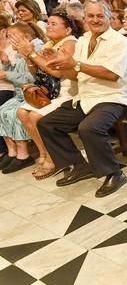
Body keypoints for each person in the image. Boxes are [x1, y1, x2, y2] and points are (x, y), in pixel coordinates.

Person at [37, 0, 127, 197]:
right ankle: (78, 165)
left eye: (100, 15)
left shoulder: (119, 42)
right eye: (91, 16)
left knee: (89, 127)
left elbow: (111, 74)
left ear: (108, 17)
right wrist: (58, 65)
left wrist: (77, 64)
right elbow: (75, 74)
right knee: (47, 123)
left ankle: (115, 174)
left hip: (112, 98)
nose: (95, 20)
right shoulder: (83, 41)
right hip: (86, 97)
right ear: (85, 18)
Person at [16, 11, 81, 179]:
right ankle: (43, 152)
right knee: (22, 112)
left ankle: (53, 158)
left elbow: (59, 73)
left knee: (36, 116)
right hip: (51, 91)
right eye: (48, 23)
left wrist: (32, 54)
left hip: (68, 91)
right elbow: (36, 72)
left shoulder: (70, 43)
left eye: (54, 24)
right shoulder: (49, 44)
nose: (48, 26)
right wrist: (28, 58)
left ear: (67, 30)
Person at [0, 22, 39, 173]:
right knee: (2, 109)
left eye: (12, 38)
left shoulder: (35, 48)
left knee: (13, 111)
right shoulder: (15, 53)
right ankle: (12, 150)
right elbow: (12, 73)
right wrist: (6, 63)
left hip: (30, 93)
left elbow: (30, 79)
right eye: (8, 38)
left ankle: (23, 153)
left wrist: (6, 74)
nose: (10, 42)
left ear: (27, 37)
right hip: (20, 93)